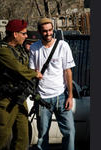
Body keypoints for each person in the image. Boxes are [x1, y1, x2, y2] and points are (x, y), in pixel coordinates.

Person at [0, 19, 43, 150]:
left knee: (23, 137)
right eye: (23, 33)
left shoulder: (19, 50)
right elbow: (17, 68)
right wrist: (34, 74)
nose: (26, 36)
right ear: (15, 34)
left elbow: (24, 66)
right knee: (2, 134)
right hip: (5, 99)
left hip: (19, 98)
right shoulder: (1, 49)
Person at [29, 17, 76, 150]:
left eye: (50, 30)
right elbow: (33, 71)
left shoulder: (63, 46)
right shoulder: (34, 48)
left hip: (61, 96)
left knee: (70, 132)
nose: (48, 33)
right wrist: (35, 73)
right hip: (42, 98)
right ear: (39, 31)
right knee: (42, 136)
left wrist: (70, 96)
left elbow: (68, 72)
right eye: (45, 31)